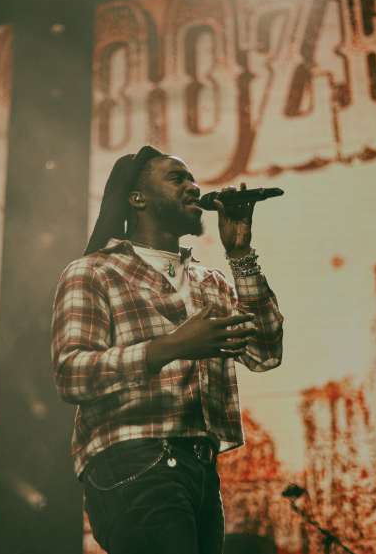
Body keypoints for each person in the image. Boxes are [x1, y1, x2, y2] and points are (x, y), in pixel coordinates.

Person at [51, 145, 284, 554]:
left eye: (193, 179)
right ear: (137, 198)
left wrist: (241, 255)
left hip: (202, 469)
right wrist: (172, 346)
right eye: (177, 178)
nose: (193, 187)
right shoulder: (94, 271)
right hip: (133, 459)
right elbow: (72, 373)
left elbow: (264, 353)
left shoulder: (209, 282)